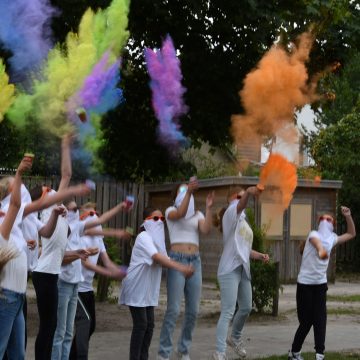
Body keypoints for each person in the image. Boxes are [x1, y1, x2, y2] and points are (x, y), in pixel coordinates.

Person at [51, 198, 132, 360]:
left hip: (85, 288)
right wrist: (108, 273)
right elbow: (84, 262)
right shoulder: (75, 231)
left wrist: (120, 272)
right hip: (72, 286)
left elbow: (107, 261)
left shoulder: (94, 237)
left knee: (87, 326)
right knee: (78, 325)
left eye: (96, 213)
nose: (95, 216)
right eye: (91, 213)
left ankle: (72, 355)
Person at [121, 207, 194, 360]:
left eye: (162, 219)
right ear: (146, 221)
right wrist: (181, 267)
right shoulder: (144, 237)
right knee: (141, 325)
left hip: (147, 290)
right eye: (155, 219)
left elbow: (166, 259)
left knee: (149, 325)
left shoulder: (158, 241)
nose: (160, 222)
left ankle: (143, 357)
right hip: (136, 288)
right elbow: (157, 257)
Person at [288, 206, 356, 360]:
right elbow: (316, 243)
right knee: (306, 322)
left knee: (320, 319)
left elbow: (352, 233)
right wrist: (321, 250)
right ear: (318, 223)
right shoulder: (313, 234)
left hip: (320, 285)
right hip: (305, 285)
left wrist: (348, 216)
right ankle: (294, 353)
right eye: (322, 219)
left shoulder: (332, 237)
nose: (325, 221)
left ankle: (320, 354)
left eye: (328, 219)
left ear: (333, 224)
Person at [158, 178, 214, 360]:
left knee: (193, 310)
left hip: (194, 261)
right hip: (177, 260)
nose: (186, 193)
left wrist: (208, 207)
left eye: (187, 191)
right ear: (176, 196)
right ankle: (163, 353)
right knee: (173, 309)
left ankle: (183, 349)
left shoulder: (197, 214)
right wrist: (189, 191)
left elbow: (206, 229)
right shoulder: (170, 211)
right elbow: (181, 213)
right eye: (182, 191)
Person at [212, 186, 269, 360]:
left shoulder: (243, 221)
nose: (242, 199)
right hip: (229, 269)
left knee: (245, 307)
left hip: (243, 269)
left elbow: (245, 249)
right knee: (228, 311)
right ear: (232, 198)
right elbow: (240, 205)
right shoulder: (231, 212)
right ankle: (219, 352)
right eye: (239, 196)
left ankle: (234, 338)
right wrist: (249, 193)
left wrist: (259, 255)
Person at [0, 157, 31, 359]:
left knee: (18, 354)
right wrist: (19, 173)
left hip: (18, 297)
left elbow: (17, 205)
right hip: (6, 297)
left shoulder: (10, 226)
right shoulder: (3, 226)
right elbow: (16, 203)